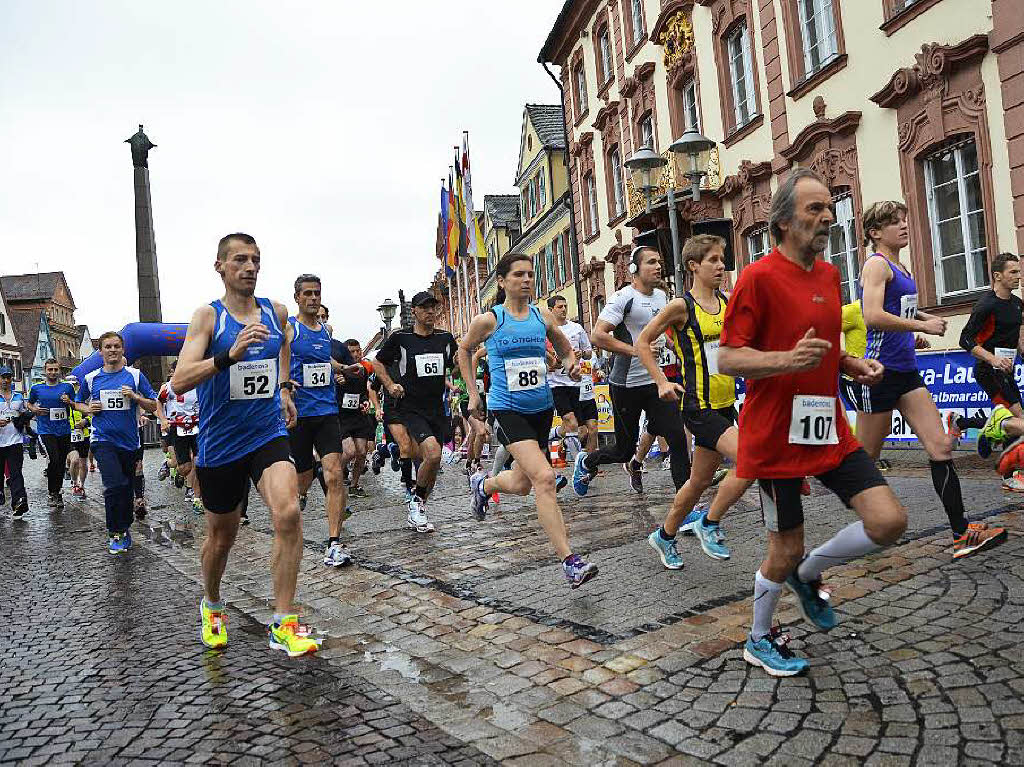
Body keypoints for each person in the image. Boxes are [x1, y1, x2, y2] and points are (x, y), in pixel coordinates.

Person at [718, 168, 907, 676]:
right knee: (784, 547)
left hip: (827, 427)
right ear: (782, 222)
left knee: (889, 521)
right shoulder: (756, 279)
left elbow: (820, 346)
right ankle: (758, 637)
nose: (827, 217)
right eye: (814, 209)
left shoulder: (829, 275)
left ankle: (810, 573)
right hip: (776, 436)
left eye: (829, 208)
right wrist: (786, 362)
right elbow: (729, 359)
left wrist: (849, 364)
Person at [172, 232, 318, 657]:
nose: (250, 267)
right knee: (222, 537)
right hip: (220, 442)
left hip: (267, 433)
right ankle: (212, 603)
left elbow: (284, 345)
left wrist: (286, 387)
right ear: (220, 267)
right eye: (240, 260)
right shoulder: (208, 318)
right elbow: (180, 380)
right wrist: (228, 357)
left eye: (255, 259)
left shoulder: (276, 312)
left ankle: (284, 622)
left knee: (288, 512)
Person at [855, 201, 1006, 558]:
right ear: (875, 232)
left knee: (940, 447)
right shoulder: (876, 265)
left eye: (905, 219)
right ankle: (869, 527)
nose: (904, 226)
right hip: (879, 374)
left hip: (906, 372)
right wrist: (922, 325)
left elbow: (900, 310)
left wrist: (916, 327)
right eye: (894, 222)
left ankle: (960, 532)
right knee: (863, 461)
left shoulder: (900, 266)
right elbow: (873, 315)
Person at [465, 253, 597, 587]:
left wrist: (569, 363)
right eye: (519, 275)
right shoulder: (490, 320)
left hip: (541, 408)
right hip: (507, 411)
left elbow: (566, 349)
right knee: (544, 478)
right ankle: (570, 561)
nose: (526, 280)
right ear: (502, 281)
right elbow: (463, 351)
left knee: (523, 484)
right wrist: (473, 393)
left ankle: (484, 484)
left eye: (530, 274)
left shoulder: (543, 318)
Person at [637, 235, 752, 566]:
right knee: (750, 461)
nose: (720, 266)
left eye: (722, 259)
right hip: (698, 406)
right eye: (713, 260)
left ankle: (665, 535)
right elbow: (644, 343)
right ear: (693, 266)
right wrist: (661, 381)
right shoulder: (680, 306)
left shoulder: (727, 302)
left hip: (724, 404)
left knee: (698, 481)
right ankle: (709, 523)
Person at [572, 246, 690, 495]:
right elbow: (598, 335)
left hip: (655, 382)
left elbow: (664, 332)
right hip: (625, 384)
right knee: (623, 450)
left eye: (659, 261)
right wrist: (637, 350)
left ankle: (686, 504)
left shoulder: (661, 297)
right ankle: (586, 461)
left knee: (678, 438)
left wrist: (675, 347)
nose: (658, 266)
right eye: (650, 262)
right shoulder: (623, 298)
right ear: (634, 269)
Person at [373, 291, 458, 533]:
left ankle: (419, 507)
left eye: (433, 307)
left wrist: (464, 371)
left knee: (433, 461)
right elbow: (378, 362)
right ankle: (417, 504)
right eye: (425, 307)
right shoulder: (401, 338)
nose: (430, 311)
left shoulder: (445, 338)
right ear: (415, 312)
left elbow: (455, 366)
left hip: (436, 409)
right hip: (411, 408)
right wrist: (390, 385)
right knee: (431, 454)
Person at [286, 274, 353, 568]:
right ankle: (300, 493)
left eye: (317, 294)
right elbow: (276, 359)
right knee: (302, 478)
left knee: (335, 473)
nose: (314, 298)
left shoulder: (325, 331)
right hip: (299, 415)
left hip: (326, 411)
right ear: (298, 297)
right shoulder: (290, 328)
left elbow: (325, 361)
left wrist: (344, 369)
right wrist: (283, 386)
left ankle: (334, 542)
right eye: (308, 294)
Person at [69, 332, 158, 552]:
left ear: (123, 349)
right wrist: (89, 409)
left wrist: (136, 398)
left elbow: (154, 405)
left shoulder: (135, 376)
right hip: (102, 440)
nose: (112, 350)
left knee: (126, 487)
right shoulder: (91, 378)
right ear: (100, 351)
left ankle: (124, 526)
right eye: (107, 347)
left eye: (116, 346)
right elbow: (77, 404)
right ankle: (115, 531)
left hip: (129, 442)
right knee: (113, 484)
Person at [546, 295, 592, 459]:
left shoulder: (577, 328)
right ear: (551, 310)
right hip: (555, 384)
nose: (564, 309)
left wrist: (582, 353)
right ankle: (580, 465)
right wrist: (551, 363)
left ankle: (551, 434)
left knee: (581, 430)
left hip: (575, 383)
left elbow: (589, 352)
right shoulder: (546, 330)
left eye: (565, 306)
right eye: (560, 307)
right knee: (571, 421)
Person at [27, 358, 76, 511]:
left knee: (61, 463)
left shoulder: (67, 387)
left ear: (59, 370)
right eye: (50, 370)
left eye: (55, 369)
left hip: (64, 430)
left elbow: (76, 404)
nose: (53, 372)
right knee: (53, 459)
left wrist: (69, 401)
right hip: (46, 430)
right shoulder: (37, 388)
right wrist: (34, 410)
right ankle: (51, 492)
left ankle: (57, 492)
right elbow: (29, 403)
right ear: (45, 371)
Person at [335, 339, 376, 499]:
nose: (356, 354)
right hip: (341, 416)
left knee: (361, 452)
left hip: (358, 415)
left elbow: (363, 392)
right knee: (349, 451)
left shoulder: (363, 370)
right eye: (351, 352)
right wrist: (338, 382)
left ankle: (354, 485)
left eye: (358, 351)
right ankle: (333, 476)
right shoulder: (339, 371)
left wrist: (366, 402)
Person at [0, 366, 29, 517]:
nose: (6, 380)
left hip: (15, 441)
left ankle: (19, 501)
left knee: (16, 473)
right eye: (3, 377)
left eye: (8, 377)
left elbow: (24, 414)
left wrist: (25, 420)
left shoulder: (18, 397)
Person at [66, 376, 91, 498]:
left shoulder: (82, 399)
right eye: (70, 385)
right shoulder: (62, 400)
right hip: (69, 435)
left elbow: (91, 414)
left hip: (83, 435)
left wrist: (85, 421)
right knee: (75, 460)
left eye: (74, 385)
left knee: (83, 463)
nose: (73, 387)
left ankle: (82, 485)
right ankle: (74, 483)